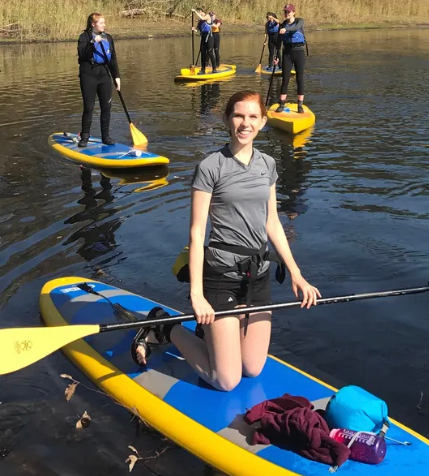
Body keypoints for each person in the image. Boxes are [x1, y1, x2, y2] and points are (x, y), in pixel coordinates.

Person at [131, 90, 321, 392]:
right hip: (221, 276)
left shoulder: (268, 165)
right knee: (227, 380)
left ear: (262, 121)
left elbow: (272, 221)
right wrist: (196, 295)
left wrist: (296, 273)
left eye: (252, 117)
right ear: (227, 119)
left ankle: (212, 335)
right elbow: (196, 233)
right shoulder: (210, 167)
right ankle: (166, 327)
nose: (245, 123)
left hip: (257, 274)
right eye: (238, 116)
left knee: (253, 368)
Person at [76, 13, 121, 146]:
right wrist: (93, 42)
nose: (104, 25)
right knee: (89, 107)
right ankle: (84, 137)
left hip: (104, 75)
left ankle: (105, 137)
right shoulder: (84, 37)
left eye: (104, 23)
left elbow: (113, 59)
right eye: (101, 23)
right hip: (88, 74)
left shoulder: (109, 38)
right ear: (93, 24)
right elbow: (82, 54)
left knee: (106, 107)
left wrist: (116, 77)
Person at [273, 4, 307, 113]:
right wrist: (276, 56)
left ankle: (300, 105)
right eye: (285, 12)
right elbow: (278, 42)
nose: (286, 14)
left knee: (299, 79)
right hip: (287, 53)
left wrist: (285, 29)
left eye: (288, 12)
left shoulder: (299, 21)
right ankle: (282, 104)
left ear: (293, 12)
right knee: (285, 79)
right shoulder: (283, 24)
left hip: (299, 52)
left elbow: (295, 28)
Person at [191, 8, 217, 74]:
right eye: (198, 12)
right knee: (203, 53)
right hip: (203, 37)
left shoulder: (207, 16)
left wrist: (195, 12)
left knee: (210, 52)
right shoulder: (200, 21)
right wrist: (194, 29)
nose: (199, 13)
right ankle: (203, 70)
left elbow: (202, 18)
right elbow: (198, 29)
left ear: (202, 12)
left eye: (200, 12)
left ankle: (214, 69)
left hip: (209, 37)